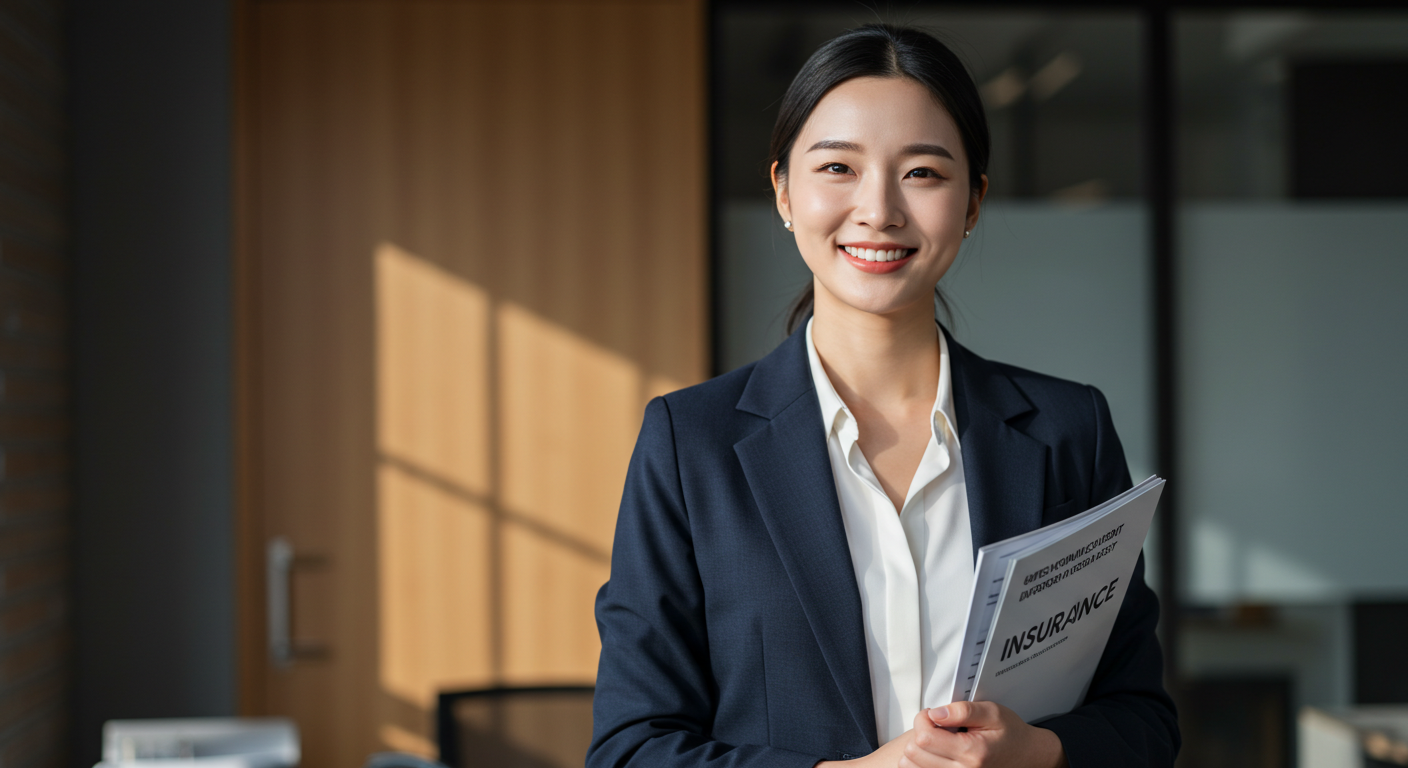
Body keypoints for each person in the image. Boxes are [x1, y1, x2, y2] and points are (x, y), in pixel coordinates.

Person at [587, 23, 1178, 768]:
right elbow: (630, 750)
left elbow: (1144, 723)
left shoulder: (1067, 431)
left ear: (972, 202)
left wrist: (1041, 751)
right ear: (783, 193)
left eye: (923, 173)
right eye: (837, 167)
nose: (879, 210)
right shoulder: (690, 444)